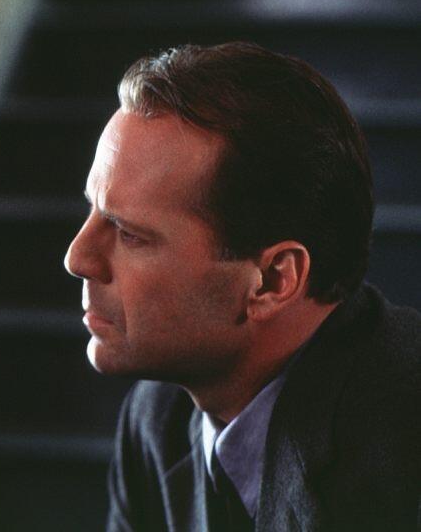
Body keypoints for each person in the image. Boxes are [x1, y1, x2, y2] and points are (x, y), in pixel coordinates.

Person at [63, 42, 420, 531]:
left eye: (130, 234)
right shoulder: (156, 419)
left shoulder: (404, 446)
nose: (77, 258)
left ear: (273, 280)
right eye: (93, 211)